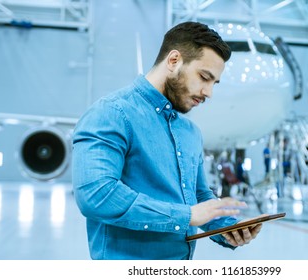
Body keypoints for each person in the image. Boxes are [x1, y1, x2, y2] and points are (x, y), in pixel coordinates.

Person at [72, 21, 263, 260]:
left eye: (214, 83)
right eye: (204, 77)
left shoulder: (190, 131)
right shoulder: (111, 114)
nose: (208, 93)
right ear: (173, 61)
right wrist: (185, 217)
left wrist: (226, 227)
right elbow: (97, 196)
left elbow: (198, 196)